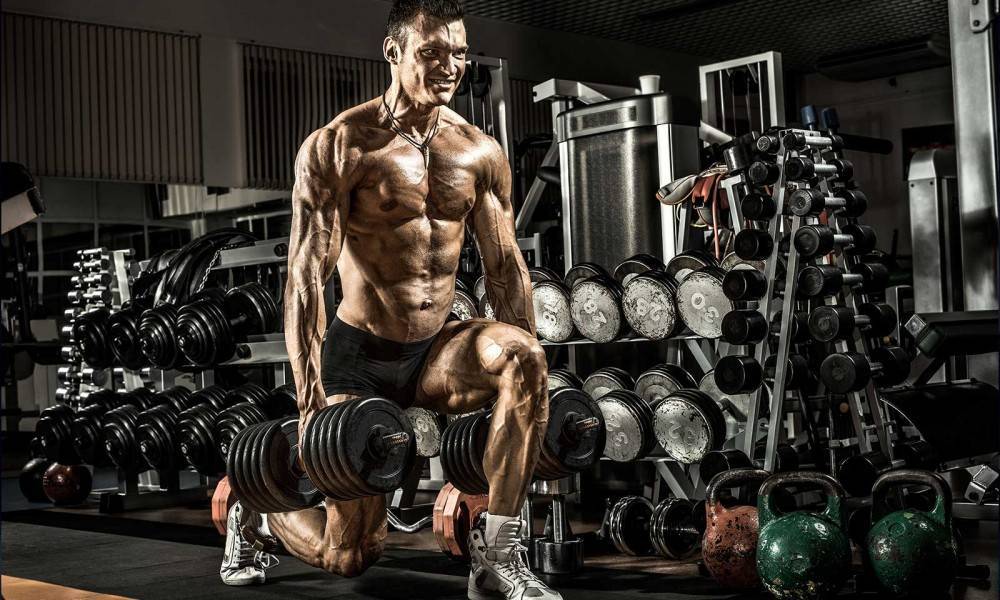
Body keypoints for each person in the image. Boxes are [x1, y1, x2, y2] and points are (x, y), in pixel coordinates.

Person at [219, 1, 560, 598]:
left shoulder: (478, 152)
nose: (450, 66)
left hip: (435, 351)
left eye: (459, 53)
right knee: (351, 555)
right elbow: (305, 278)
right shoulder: (341, 146)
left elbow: (506, 269)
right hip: (360, 358)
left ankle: (500, 554)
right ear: (394, 53)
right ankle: (261, 510)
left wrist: (532, 396)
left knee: (524, 358)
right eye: (432, 52)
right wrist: (309, 401)